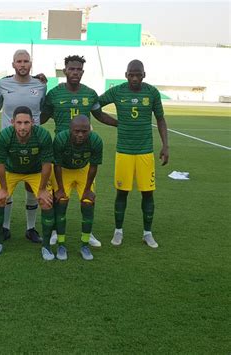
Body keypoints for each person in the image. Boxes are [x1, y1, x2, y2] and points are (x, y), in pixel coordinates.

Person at [41, 54, 117, 247]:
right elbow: (42, 117)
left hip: (83, 156)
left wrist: (120, 124)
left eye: (78, 69)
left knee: (88, 198)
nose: (75, 72)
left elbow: (99, 115)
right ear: (65, 70)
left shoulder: (90, 94)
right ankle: (56, 232)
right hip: (61, 154)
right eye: (71, 69)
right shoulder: (54, 93)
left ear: (82, 72)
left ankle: (88, 233)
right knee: (59, 199)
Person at [99, 59, 169, 248]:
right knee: (122, 192)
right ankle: (118, 231)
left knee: (148, 193)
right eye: (132, 74)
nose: (135, 78)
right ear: (126, 75)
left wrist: (165, 146)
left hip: (145, 151)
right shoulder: (118, 91)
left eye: (138, 74)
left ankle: (147, 233)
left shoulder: (152, 92)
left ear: (144, 75)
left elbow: (160, 119)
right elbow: (96, 106)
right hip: (124, 151)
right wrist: (114, 122)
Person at [0, 49, 47, 243]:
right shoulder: (3, 84)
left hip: (33, 145)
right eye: (19, 61)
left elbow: (43, 110)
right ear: (13, 64)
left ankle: (31, 228)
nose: (22, 64)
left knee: (32, 188)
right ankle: (5, 227)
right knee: (6, 189)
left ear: (31, 64)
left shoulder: (40, 85)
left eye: (25, 61)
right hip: (10, 144)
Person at [0, 106, 55, 260]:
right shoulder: (5, 136)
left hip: (35, 172)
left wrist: (43, 189)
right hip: (12, 171)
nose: (23, 127)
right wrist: (3, 189)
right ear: (12, 122)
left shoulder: (42, 135)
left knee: (46, 202)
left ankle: (46, 246)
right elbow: (0, 165)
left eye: (26, 122)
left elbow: (47, 165)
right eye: (19, 123)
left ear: (33, 122)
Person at [52, 115, 105, 260]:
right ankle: (61, 244)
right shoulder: (61, 139)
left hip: (83, 171)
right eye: (76, 131)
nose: (80, 134)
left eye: (84, 131)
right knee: (61, 202)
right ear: (70, 130)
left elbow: (93, 167)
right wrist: (60, 189)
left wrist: (87, 190)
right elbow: (56, 165)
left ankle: (85, 245)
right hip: (64, 170)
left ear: (89, 130)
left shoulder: (96, 141)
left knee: (88, 204)